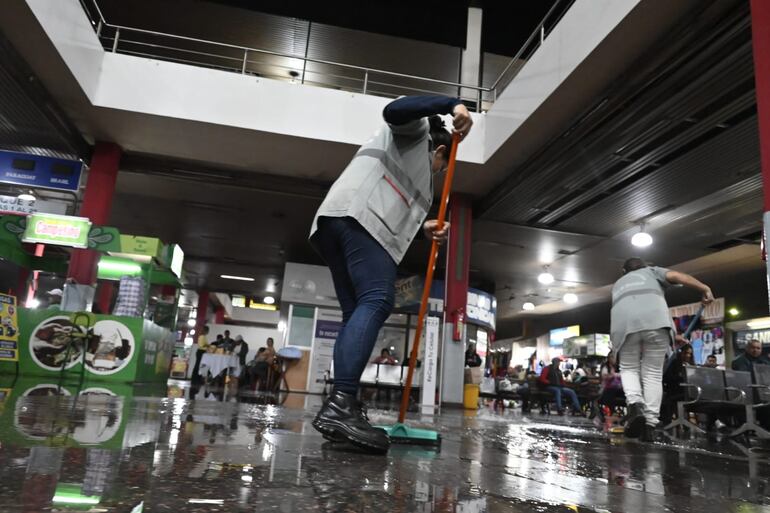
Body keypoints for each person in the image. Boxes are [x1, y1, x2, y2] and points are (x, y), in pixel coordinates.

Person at [308, 94, 472, 453]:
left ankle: (343, 405)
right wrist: (453, 104)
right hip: (360, 220)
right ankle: (340, 404)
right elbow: (394, 110)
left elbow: (392, 198)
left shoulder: (412, 166)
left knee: (357, 313)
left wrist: (424, 227)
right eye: (442, 165)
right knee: (379, 300)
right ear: (440, 151)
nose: (440, 171)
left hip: (337, 222)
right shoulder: (417, 131)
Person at [610, 257, 713, 442]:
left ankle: (635, 405)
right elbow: (676, 276)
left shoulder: (617, 284)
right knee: (652, 374)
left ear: (623, 272)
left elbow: (634, 312)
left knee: (629, 368)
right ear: (645, 266)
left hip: (624, 328)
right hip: (657, 324)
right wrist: (704, 288)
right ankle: (650, 424)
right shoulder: (651, 271)